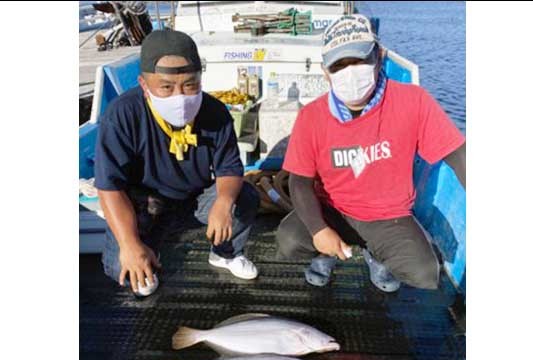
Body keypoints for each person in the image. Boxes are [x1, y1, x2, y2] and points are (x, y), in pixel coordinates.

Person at [276, 15, 465, 292]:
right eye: (339, 65)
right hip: (333, 209)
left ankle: (375, 254)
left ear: (379, 56)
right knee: (289, 240)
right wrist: (319, 230)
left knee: (425, 274)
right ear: (325, 71)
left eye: (359, 61)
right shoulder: (311, 116)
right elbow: (299, 181)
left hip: (388, 216)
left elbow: (458, 154)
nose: (350, 71)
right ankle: (325, 251)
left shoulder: (413, 101)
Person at [94, 30, 260, 296]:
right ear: (144, 84)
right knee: (121, 270)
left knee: (246, 197)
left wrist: (224, 201)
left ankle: (224, 253)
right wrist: (130, 243)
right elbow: (109, 186)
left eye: (190, 85)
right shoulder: (121, 115)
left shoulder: (215, 111)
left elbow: (229, 167)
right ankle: (146, 249)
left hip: (194, 198)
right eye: (166, 87)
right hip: (147, 206)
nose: (180, 96)